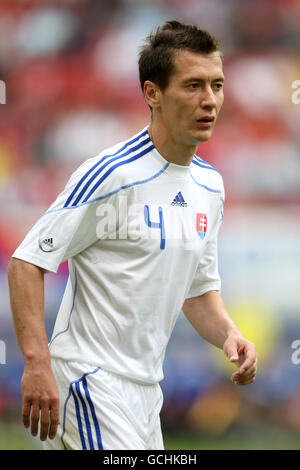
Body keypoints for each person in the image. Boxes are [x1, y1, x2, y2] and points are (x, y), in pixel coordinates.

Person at [8, 20, 258, 450]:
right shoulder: (111, 175)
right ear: (152, 93)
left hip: (145, 395)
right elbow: (26, 263)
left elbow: (197, 291)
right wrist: (36, 362)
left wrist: (229, 335)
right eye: (193, 85)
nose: (210, 100)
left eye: (217, 85)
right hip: (89, 378)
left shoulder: (211, 187)